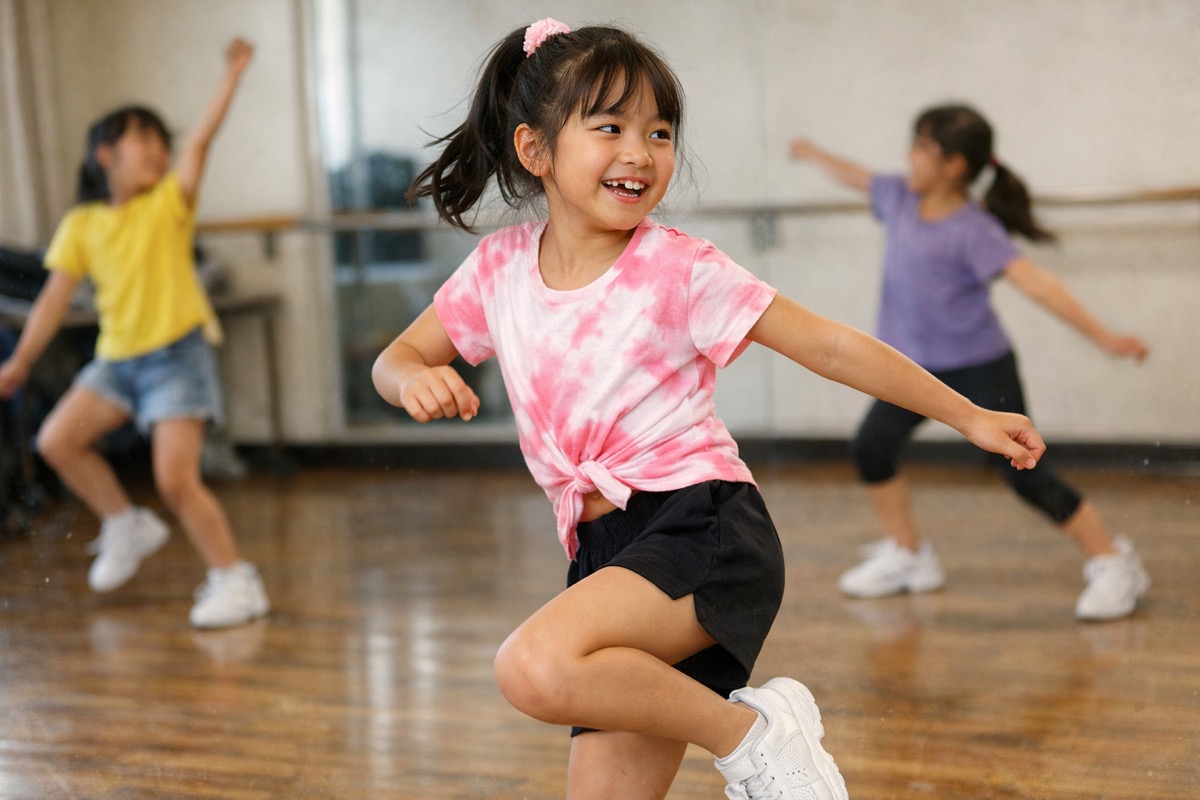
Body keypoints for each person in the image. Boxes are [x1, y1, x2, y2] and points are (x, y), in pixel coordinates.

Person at [373, 20, 1046, 800]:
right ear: (535, 151)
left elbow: (827, 345)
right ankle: (758, 740)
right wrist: (409, 382)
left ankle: (756, 736)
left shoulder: (678, 269)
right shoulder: (497, 270)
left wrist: (967, 415)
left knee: (532, 665)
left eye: (659, 131)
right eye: (610, 128)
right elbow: (399, 357)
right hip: (605, 555)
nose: (641, 152)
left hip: (702, 529)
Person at [790, 104, 1150, 622]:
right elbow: (856, 176)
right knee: (872, 448)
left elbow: (1038, 285)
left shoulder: (973, 229)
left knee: (1025, 471)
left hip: (979, 367)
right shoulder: (897, 197)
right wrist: (810, 153)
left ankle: (1114, 562)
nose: (908, 156)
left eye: (921, 147)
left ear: (954, 165)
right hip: (911, 368)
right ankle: (910, 556)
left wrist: (1106, 337)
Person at [0, 39, 268, 629]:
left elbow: (199, 141)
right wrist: (19, 363)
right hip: (116, 361)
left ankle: (235, 581)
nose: (156, 149)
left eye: (158, 140)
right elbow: (51, 299)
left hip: (177, 355)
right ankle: (124, 522)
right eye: (139, 139)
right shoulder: (82, 224)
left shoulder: (169, 203)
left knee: (176, 480)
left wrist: (231, 76)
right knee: (56, 442)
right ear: (105, 155)